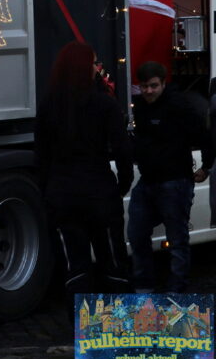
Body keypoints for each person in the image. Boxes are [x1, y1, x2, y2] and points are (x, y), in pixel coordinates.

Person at [34, 42, 133, 314]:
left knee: (74, 266)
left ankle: (82, 323)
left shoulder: (49, 106)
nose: (96, 68)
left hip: (62, 194)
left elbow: (41, 155)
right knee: (112, 260)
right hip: (99, 192)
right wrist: (121, 184)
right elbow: (123, 150)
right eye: (93, 63)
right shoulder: (104, 104)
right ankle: (118, 324)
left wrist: (48, 190)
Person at [128, 61, 212, 293]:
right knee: (138, 233)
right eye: (145, 86)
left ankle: (174, 289)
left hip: (174, 180)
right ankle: (147, 286)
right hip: (151, 180)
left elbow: (203, 134)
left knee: (176, 239)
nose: (149, 91)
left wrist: (206, 165)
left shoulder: (179, 106)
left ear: (163, 84)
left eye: (153, 86)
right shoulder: (143, 108)